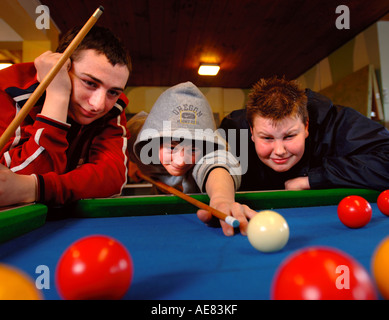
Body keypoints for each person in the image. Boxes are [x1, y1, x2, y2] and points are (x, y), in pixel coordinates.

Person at [0, 26, 131, 207]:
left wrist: (36, 188)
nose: (98, 104)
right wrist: (57, 94)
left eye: (113, 92)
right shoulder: (7, 89)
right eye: (90, 83)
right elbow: (7, 186)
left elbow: (112, 177)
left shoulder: (113, 106)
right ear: (63, 67)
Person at [127, 81, 257, 236]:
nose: (181, 161)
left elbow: (218, 164)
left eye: (193, 149)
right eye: (172, 147)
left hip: (196, 216)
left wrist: (222, 198)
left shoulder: (211, 149)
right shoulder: (134, 134)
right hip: (159, 210)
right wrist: (131, 160)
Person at [219, 76, 389, 191]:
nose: (279, 151)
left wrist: (313, 179)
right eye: (267, 138)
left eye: (289, 136)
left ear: (306, 126)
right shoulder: (233, 133)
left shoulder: (336, 123)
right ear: (251, 131)